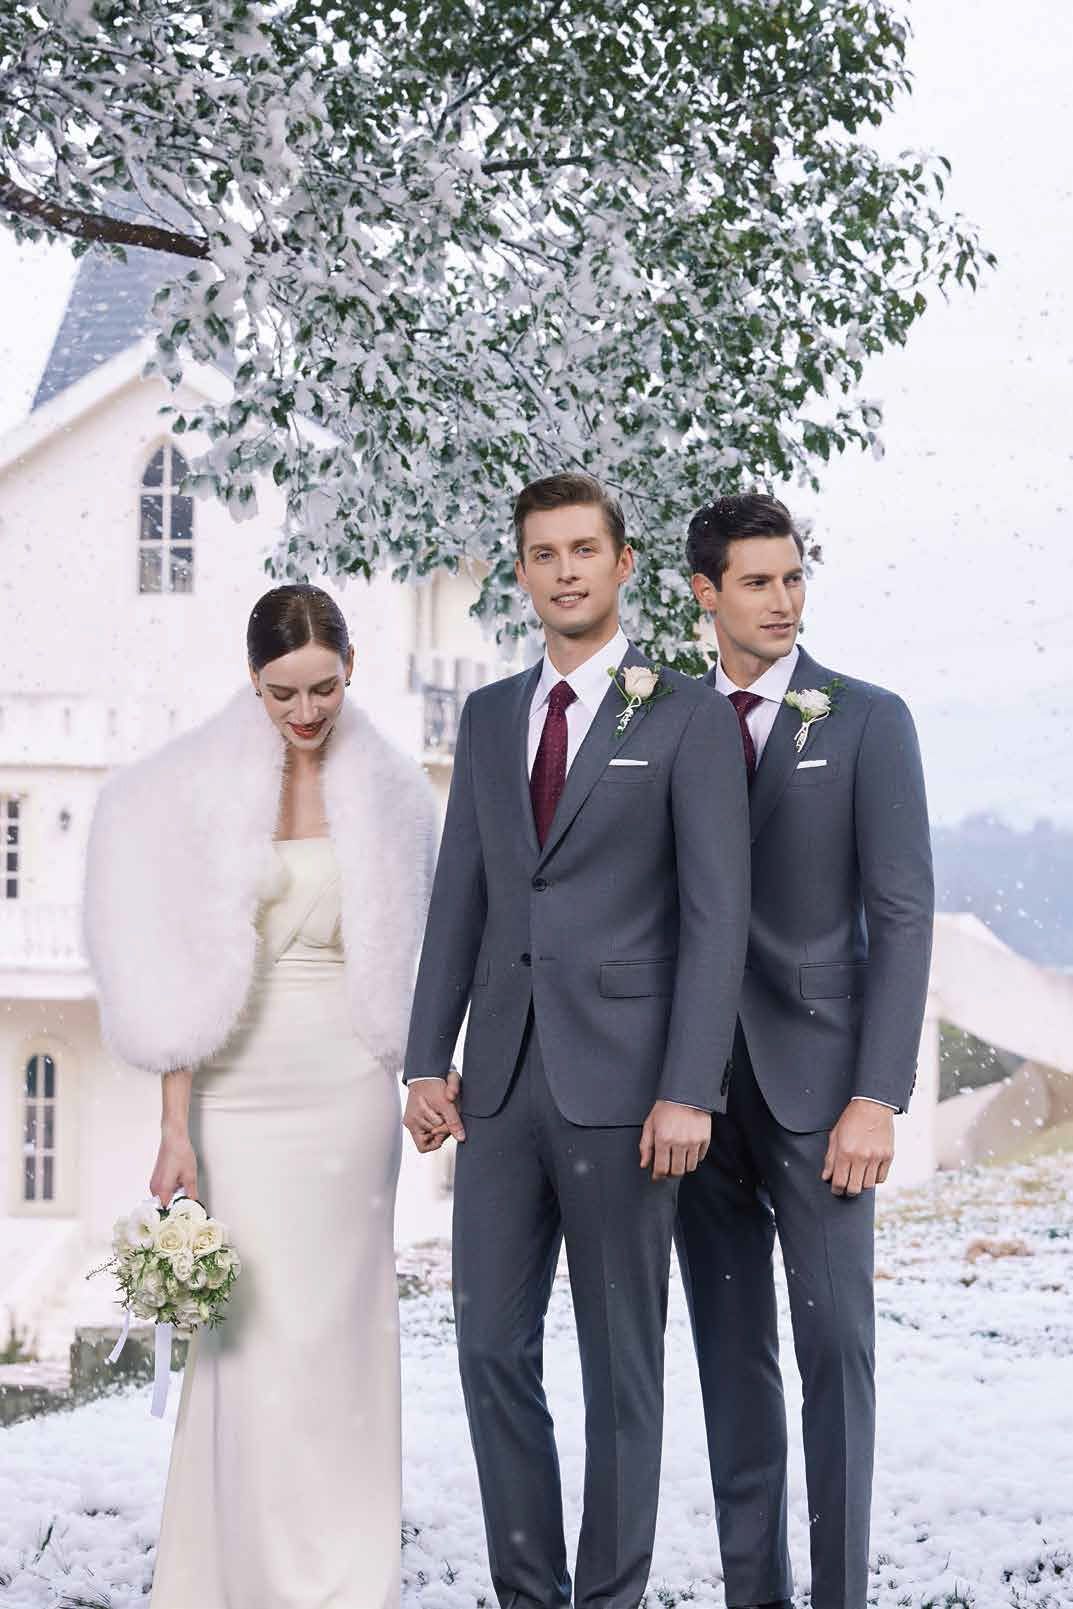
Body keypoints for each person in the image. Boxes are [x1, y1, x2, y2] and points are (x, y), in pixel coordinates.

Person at [402, 472, 751, 1609]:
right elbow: (462, 891)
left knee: (619, 1372)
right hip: (498, 1087)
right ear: (521, 572)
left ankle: (608, 1598)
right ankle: (527, 1595)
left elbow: (713, 917)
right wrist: (423, 1053)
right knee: (489, 1351)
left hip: (630, 1092)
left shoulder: (688, 713)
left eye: (583, 550)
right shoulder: (493, 714)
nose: (563, 570)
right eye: (542, 553)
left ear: (623, 564)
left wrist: (689, 1085)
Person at [83, 584, 435, 1609]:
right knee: (248, 1335)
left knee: (338, 1331)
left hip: (347, 1087)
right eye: (283, 691)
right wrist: (172, 1123)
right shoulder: (192, 789)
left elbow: (420, 955)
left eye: (323, 686)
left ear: (352, 668)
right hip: (235, 1086)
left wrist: (421, 1073)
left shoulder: (397, 794)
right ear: (253, 680)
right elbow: (174, 964)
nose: (307, 710)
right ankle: (228, 1573)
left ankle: (343, 1578)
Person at [675, 495, 934, 1609]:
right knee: (733, 1367)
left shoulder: (867, 720)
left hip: (823, 1096)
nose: (781, 601)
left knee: (835, 1358)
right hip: (692, 1097)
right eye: (756, 582)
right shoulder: (669, 723)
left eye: (791, 578)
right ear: (703, 593)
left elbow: (903, 913)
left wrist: (876, 1093)